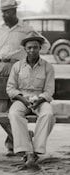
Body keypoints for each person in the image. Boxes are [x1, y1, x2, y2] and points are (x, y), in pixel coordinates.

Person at [0, 0, 50, 156]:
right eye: (2, 12)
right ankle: (20, 139)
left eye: (8, 11)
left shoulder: (26, 28)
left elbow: (45, 45)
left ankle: (12, 145)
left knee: (15, 109)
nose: (4, 15)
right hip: (1, 68)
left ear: (15, 11)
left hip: (19, 67)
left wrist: (27, 55)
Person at [7, 31, 55, 168]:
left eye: (35, 47)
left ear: (40, 48)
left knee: (48, 114)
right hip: (22, 100)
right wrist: (23, 100)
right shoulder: (17, 66)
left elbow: (49, 90)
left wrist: (40, 100)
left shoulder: (48, 67)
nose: (32, 50)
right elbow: (10, 88)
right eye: (29, 48)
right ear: (25, 49)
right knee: (14, 114)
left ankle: (36, 151)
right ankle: (27, 151)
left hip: (41, 100)